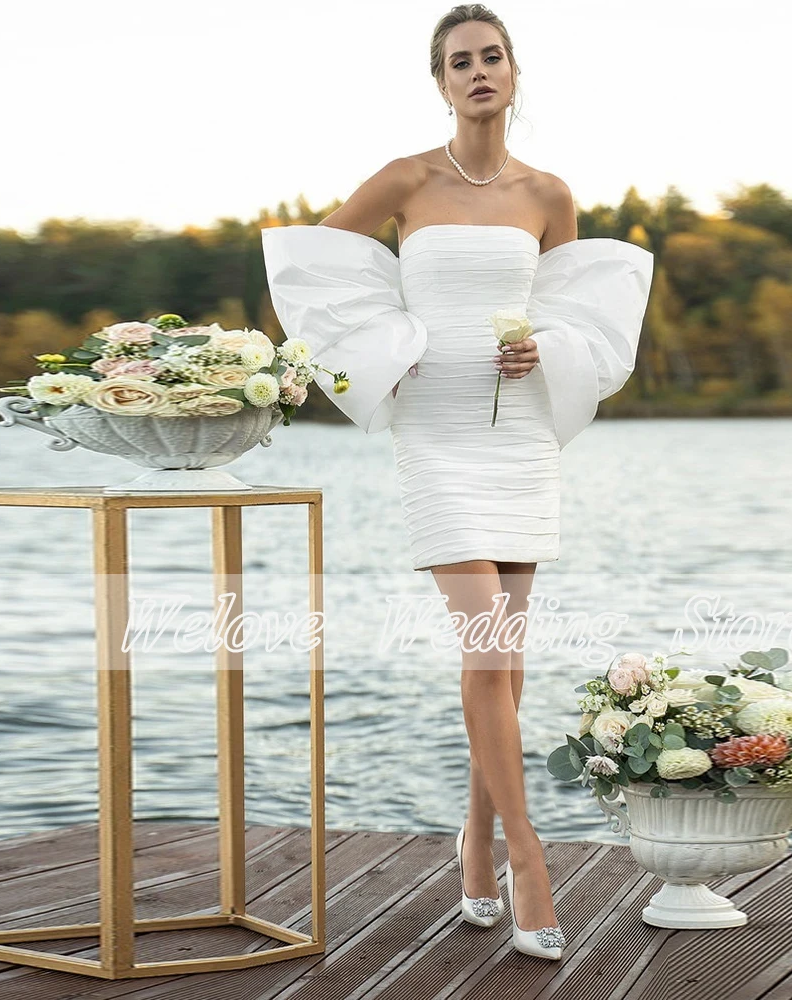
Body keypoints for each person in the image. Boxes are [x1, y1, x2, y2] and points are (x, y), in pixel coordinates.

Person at [262, 4, 653, 961]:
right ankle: (529, 853)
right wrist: (388, 350)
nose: (478, 72)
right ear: (439, 81)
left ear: (515, 73)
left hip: (517, 433)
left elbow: (575, 319)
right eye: (458, 62)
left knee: (506, 662)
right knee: (485, 651)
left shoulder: (550, 194)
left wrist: (544, 353)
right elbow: (320, 281)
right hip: (435, 428)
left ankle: (472, 849)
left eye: (491, 57)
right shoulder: (406, 178)